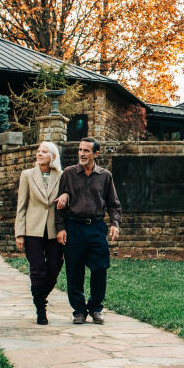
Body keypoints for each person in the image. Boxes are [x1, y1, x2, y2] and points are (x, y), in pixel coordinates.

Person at [55, 137, 121, 324]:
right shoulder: (68, 173)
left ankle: (95, 308)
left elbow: (114, 204)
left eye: (86, 151)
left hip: (96, 227)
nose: (82, 154)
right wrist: (60, 228)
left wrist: (115, 223)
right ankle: (79, 311)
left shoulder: (105, 176)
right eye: (80, 150)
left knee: (100, 269)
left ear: (96, 154)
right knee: (74, 271)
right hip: (74, 227)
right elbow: (58, 204)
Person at [15, 141, 64, 325]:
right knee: (37, 270)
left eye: (44, 151)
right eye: (38, 151)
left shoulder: (61, 175)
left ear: (53, 156)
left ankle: (40, 296)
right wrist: (19, 233)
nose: (40, 154)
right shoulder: (27, 175)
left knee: (55, 265)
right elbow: (22, 205)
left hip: (53, 230)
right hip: (32, 230)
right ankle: (40, 309)